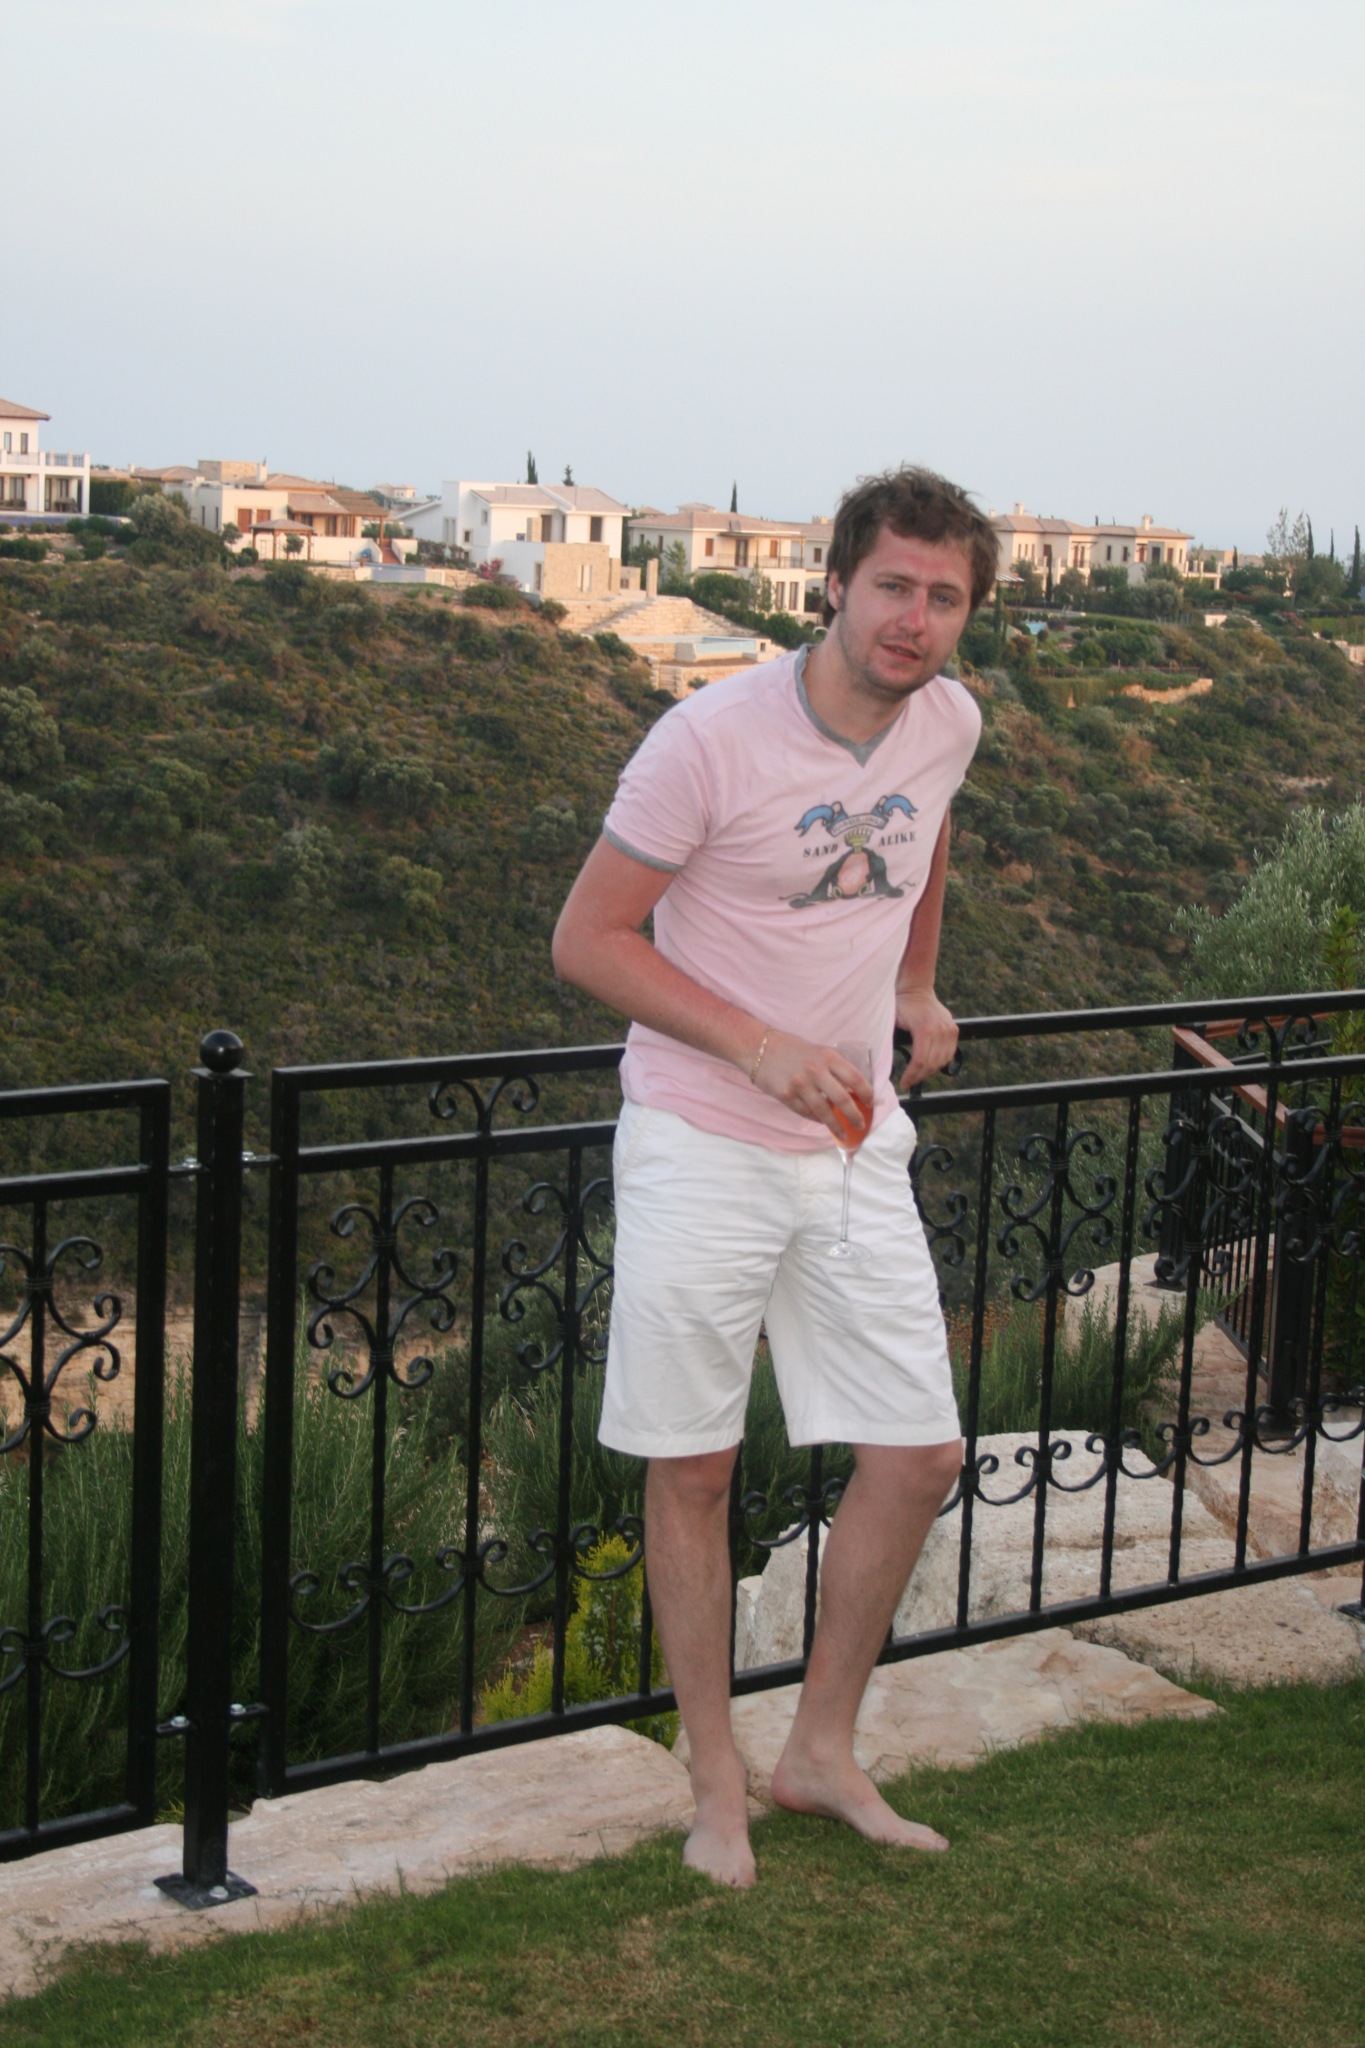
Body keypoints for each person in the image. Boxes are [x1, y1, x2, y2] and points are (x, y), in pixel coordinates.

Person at [552, 465, 996, 1887]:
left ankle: (819, 1751)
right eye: (893, 586)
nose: (914, 619)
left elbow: (927, 832)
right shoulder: (707, 741)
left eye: (943, 597)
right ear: (836, 585)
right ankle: (716, 1786)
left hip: (854, 1141)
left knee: (918, 1455)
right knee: (695, 1470)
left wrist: (916, 983)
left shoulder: (948, 721)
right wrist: (757, 1049)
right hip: (701, 1136)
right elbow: (588, 939)